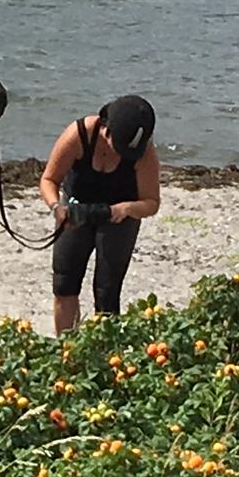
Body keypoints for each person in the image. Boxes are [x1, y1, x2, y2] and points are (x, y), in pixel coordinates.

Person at [39, 95, 160, 334]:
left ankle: (104, 351)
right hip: (76, 209)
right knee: (64, 284)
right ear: (107, 132)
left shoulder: (144, 152)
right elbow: (48, 180)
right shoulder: (80, 134)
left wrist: (127, 208)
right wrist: (57, 208)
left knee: (107, 292)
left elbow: (152, 203)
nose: (128, 155)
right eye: (123, 148)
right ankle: (67, 347)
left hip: (119, 216)